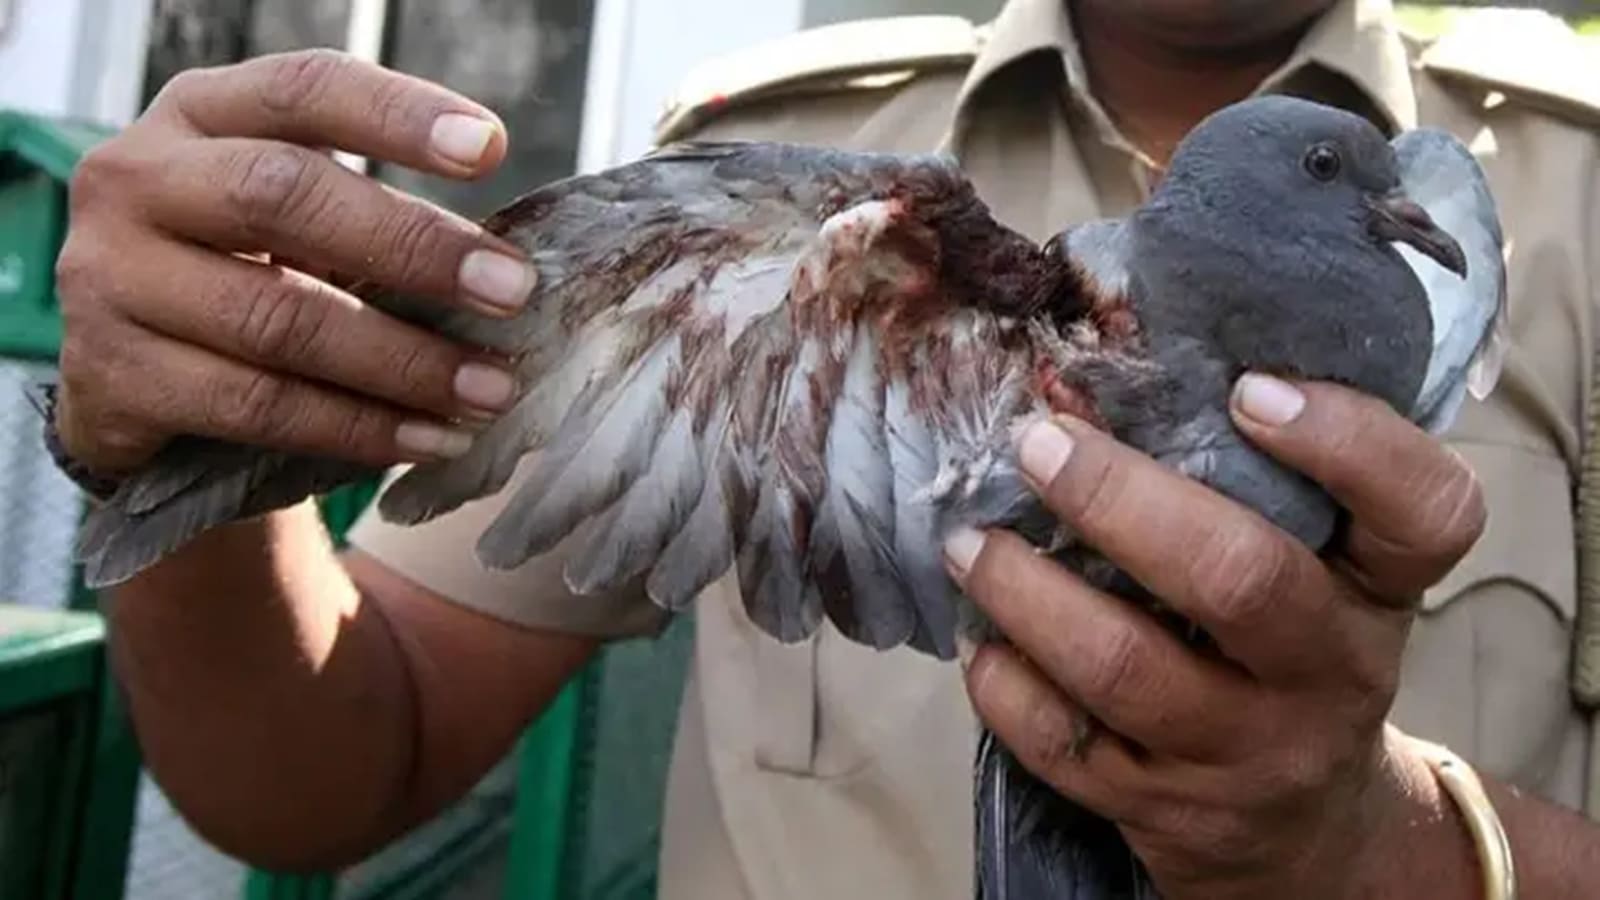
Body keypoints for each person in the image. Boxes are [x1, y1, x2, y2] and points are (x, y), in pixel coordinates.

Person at [45, 0, 1600, 896]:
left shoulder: (1568, 196)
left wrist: (1392, 847)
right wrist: (184, 411)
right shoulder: (807, 217)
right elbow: (319, 772)